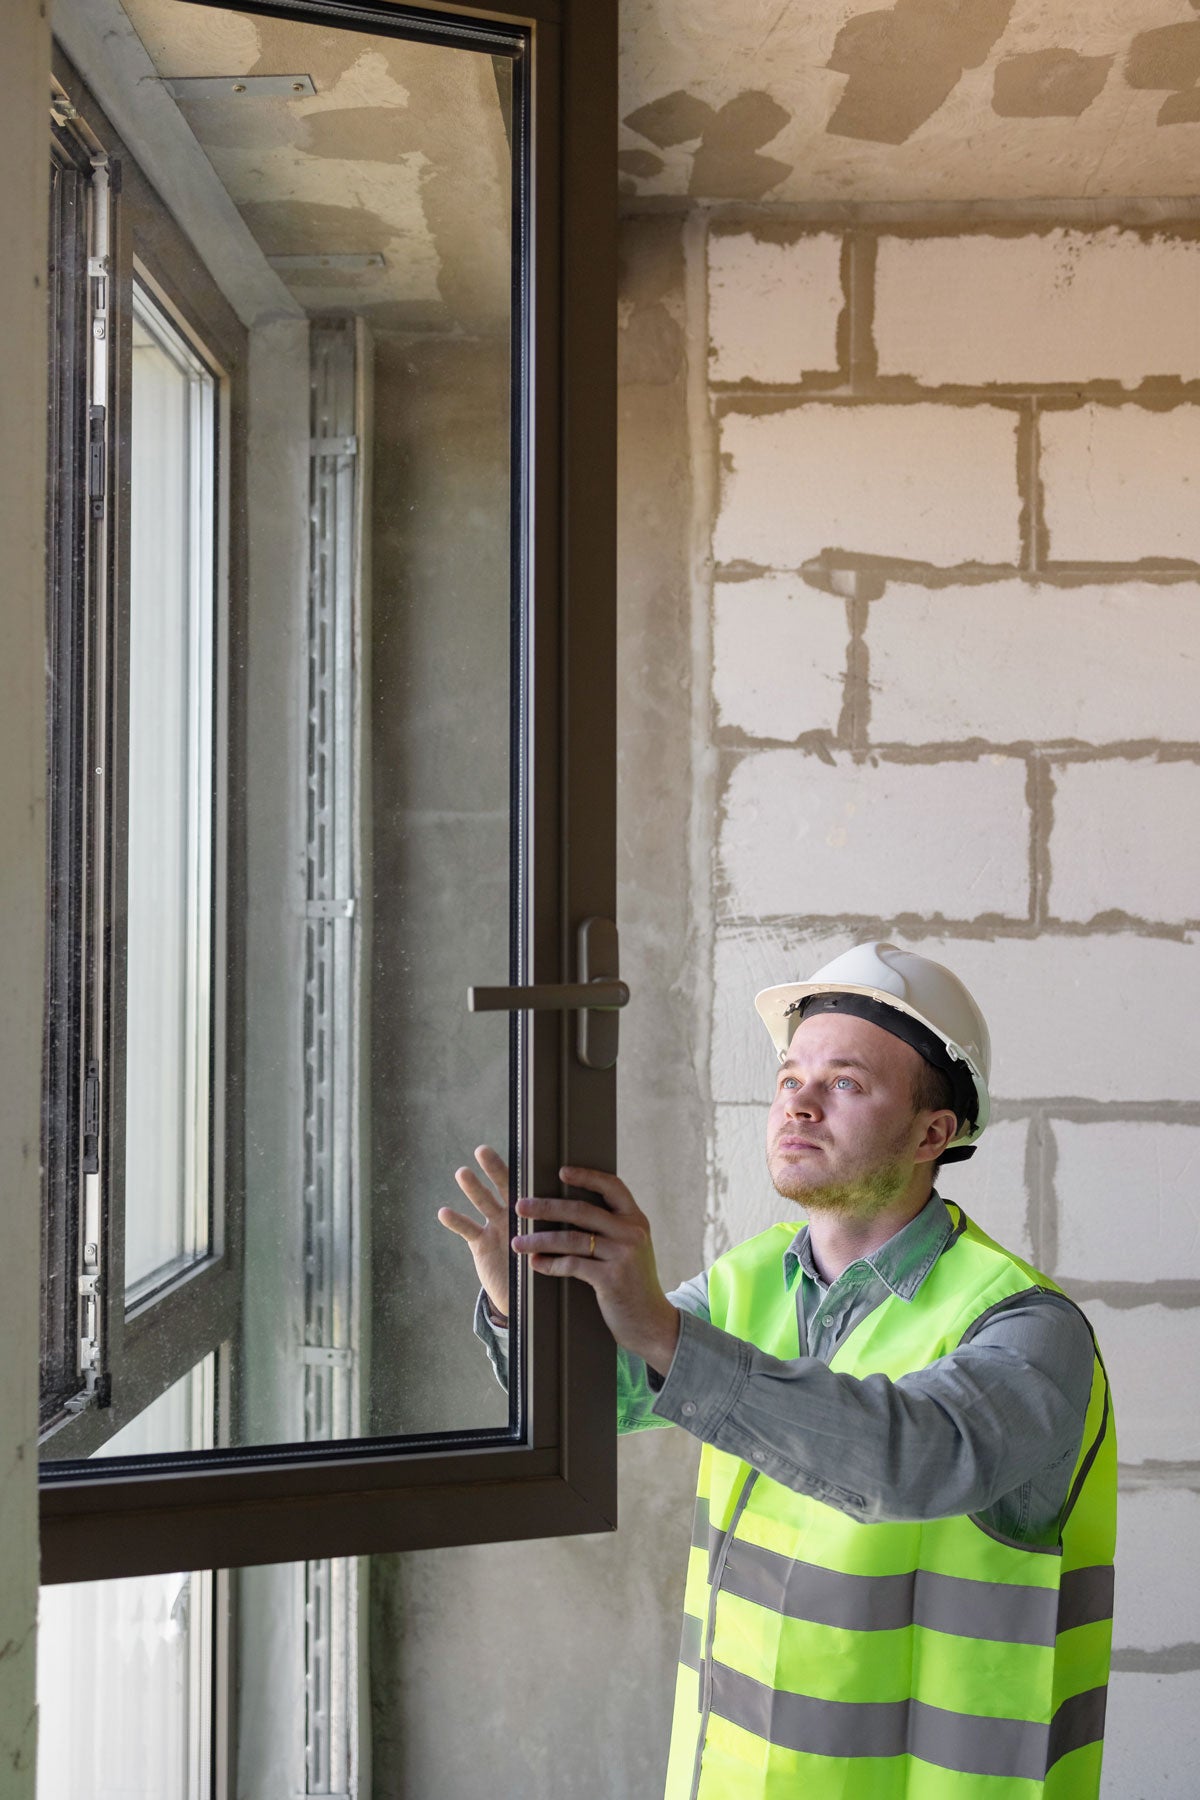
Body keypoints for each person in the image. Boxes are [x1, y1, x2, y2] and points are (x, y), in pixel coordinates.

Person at [438, 942, 1116, 1799]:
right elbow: (600, 1403)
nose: (798, 1104)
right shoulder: (748, 1280)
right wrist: (520, 1311)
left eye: (844, 1083)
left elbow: (912, 1461)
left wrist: (665, 1332)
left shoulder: (1026, 1327)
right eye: (790, 1077)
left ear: (931, 1133)